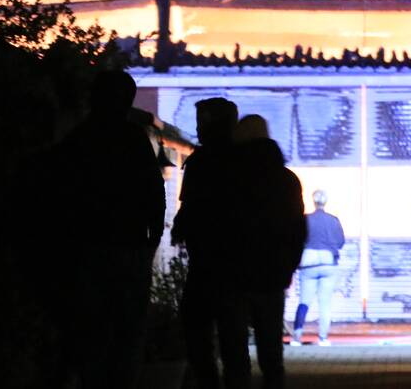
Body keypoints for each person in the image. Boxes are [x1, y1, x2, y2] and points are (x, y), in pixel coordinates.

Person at [57, 70, 166, 389]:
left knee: (90, 332)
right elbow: (154, 191)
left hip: (87, 249)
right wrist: (151, 240)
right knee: (128, 334)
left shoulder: (78, 138)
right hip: (130, 248)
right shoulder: (134, 140)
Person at [171, 97, 249, 389]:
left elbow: (189, 207)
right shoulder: (244, 161)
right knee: (233, 340)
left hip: (205, 263)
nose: (198, 128)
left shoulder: (202, 162)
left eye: (202, 121)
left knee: (199, 335)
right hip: (234, 265)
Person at [233, 114, 306, 389]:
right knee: (270, 340)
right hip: (272, 269)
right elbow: (297, 227)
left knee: (234, 343)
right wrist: (289, 265)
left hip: (235, 269)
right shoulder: (286, 179)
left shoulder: (230, 175)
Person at [290, 189, 345, 347]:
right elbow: (340, 242)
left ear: (313, 202)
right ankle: (323, 338)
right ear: (325, 202)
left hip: (308, 263)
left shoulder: (305, 219)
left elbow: (297, 239)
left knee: (304, 301)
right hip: (328, 263)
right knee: (325, 303)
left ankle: (297, 337)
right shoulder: (334, 220)